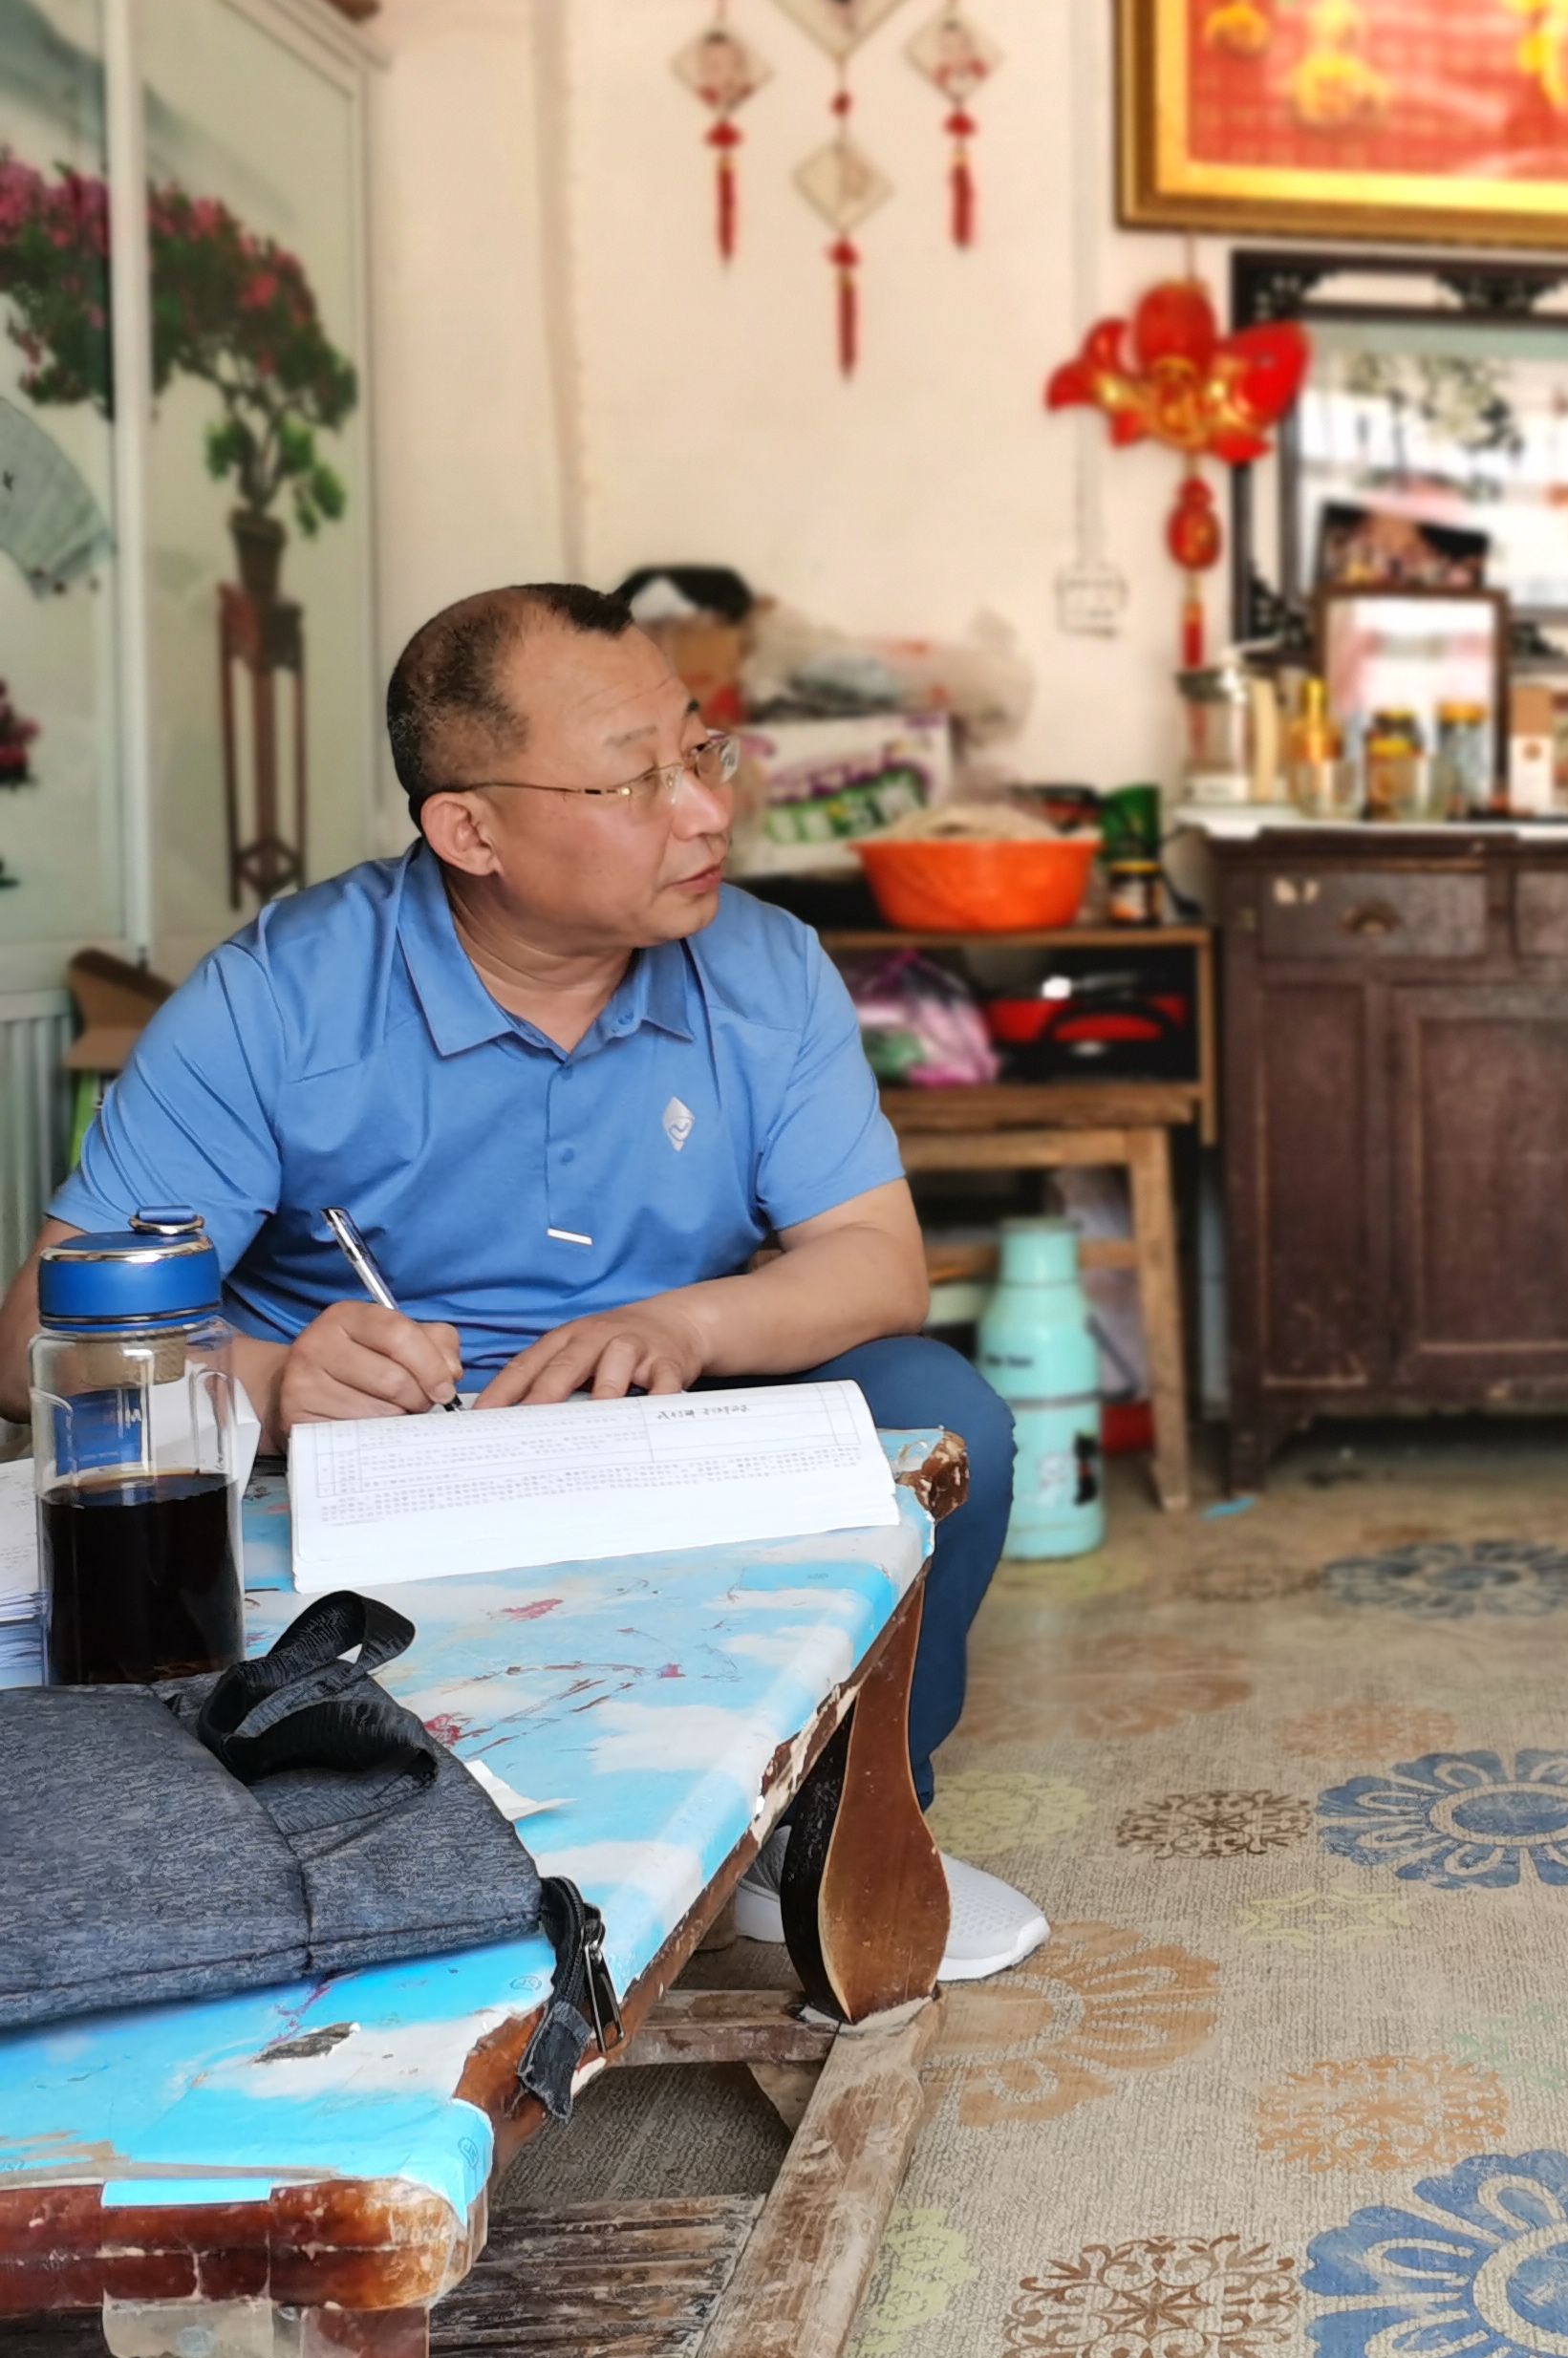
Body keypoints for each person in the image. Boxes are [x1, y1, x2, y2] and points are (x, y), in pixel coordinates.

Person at [0, 583, 1048, 1983]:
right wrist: (275, 1381)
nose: (705, 812)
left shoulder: (765, 967)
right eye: (635, 780)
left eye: (702, 751)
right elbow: (36, 1338)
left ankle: (834, 1836)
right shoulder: (280, 998)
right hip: (359, 1478)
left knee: (937, 1407)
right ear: (469, 831)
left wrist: (685, 1323)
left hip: (651, 1434)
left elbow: (878, 1262)